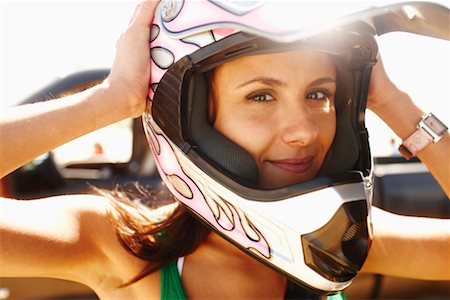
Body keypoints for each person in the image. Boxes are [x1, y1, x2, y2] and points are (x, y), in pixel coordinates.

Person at [1, 1, 449, 299]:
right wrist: (112, 100)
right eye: (260, 96)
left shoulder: (341, 242)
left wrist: (395, 102)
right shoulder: (119, 248)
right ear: (192, 117)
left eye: (319, 95)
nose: (304, 132)